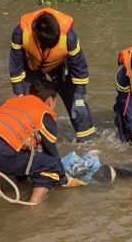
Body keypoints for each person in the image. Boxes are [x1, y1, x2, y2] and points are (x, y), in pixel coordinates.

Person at [0, 80, 86, 204]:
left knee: (7, 149)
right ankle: (34, 207)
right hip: (1, 152)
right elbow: (50, 152)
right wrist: (64, 179)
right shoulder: (44, 112)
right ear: (50, 101)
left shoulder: (13, 102)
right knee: (51, 165)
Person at [9, 8, 95, 142]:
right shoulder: (21, 33)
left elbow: (79, 67)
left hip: (59, 66)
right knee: (29, 106)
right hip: (32, 66)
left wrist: (79, 96)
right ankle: (34, 142)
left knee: (78, 107)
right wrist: (19, 92)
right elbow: (16, 65)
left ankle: (88, 142)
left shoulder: (69, 37)